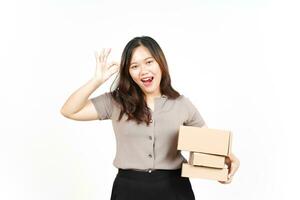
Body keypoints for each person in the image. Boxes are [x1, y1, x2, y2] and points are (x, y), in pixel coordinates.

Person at [60, 36, 240, 200]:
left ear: (160, 63)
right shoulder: (115, 102)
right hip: (128, 190)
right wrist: (96, 81)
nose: (143, 71)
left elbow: (209, 145)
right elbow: (70, 111)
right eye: (134, 66)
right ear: (128, 72)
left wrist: (227, 162)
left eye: (148, 62)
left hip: (174, 189)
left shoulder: (182, 104)